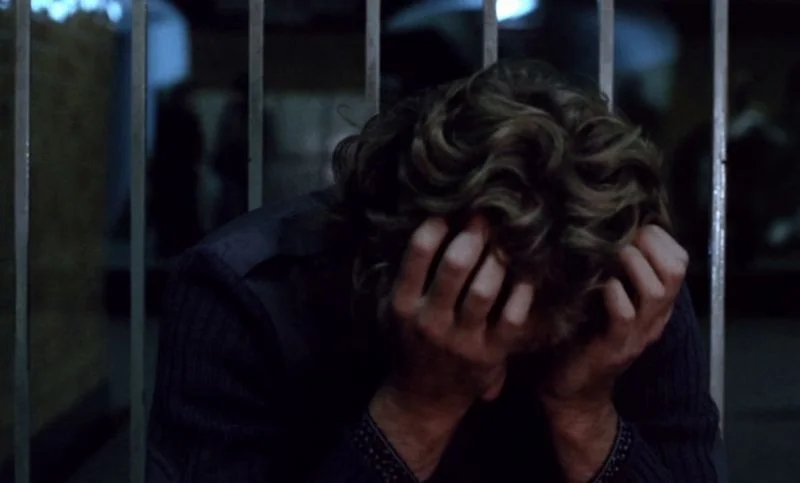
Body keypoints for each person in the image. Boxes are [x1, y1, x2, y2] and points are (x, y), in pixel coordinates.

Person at [146, 62, 724, 482]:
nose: (496, 382)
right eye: (481, 310)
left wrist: (585, 415)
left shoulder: (624, 287)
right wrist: (419, 407)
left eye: (536, 343)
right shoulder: (243, 293)